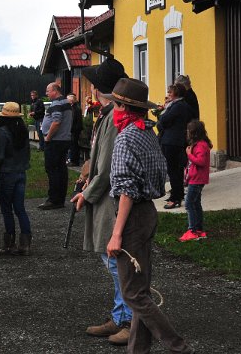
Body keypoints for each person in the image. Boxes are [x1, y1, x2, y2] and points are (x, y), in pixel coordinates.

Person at [106, 78, 193, 354]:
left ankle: (178, 346)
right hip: (148, 214)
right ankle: (138, 350)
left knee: (133, 293)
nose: (113, 109)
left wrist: (116, 234)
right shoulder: (147, 133)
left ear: (125, 108)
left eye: (116, 105)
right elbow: (161, 176)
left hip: (132, 217)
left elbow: (127, 191)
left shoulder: (126, 138)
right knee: (140, 289)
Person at [70, 58, 132, 346]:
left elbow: (106, 168)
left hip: (110, 199)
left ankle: (129, 321)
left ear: (101, 90)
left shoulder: (112, 121)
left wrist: (87, 193)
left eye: (95, 85)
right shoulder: (107, 117)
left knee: (115, 261)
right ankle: (120, 315)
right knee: (112, 261)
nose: (92, 89)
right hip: (106, 196)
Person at [0, 102, 32, 256]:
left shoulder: (2, 131)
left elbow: (0, 155)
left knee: (7, 209)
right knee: (20, 208)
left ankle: (10, 244)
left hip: (7, 173)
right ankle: (26, 244)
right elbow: (28, 153)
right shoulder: (23, 130)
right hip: (22, 172)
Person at [156, 84, 195, 210]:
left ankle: (175, 198)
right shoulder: (185, 106)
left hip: (172, 142)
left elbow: (163, 120)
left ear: (176, 93)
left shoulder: (177, 106)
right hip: (178, 141)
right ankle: (177, 194)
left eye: (170, 92)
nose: (168, 94)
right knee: (177, 171)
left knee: (173, 171)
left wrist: (164, 111)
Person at [38, 82, 71, 210]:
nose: (46, 93)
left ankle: (53, 200)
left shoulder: (57, 103)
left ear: (55, 91)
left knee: (53, 170)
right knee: (61, 169)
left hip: (55, 141)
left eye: (48, 91)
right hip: (63, 140)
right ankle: (60, 199)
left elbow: (56, 122)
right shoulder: (65, 102)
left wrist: (48, 137)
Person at [180, 119, 212, 242]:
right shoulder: (199, 144)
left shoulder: (201, 146)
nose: (187, 133)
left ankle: (192, 230)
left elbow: (201, 162)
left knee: (189, 204)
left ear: (194, 133)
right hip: (195, 178)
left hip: (197, 179)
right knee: (196, 204)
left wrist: (189, 154)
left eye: (189, 131)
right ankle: (199, 229)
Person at [67, 93, 84, 165]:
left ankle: (74, 161)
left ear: (71, 100)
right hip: (76, 129)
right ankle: (73, 160)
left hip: (74, 129)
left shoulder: (74, 108)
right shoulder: (76, 107)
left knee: (73, 145)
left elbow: (72, 120)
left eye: (67, 99)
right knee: (74, 145)